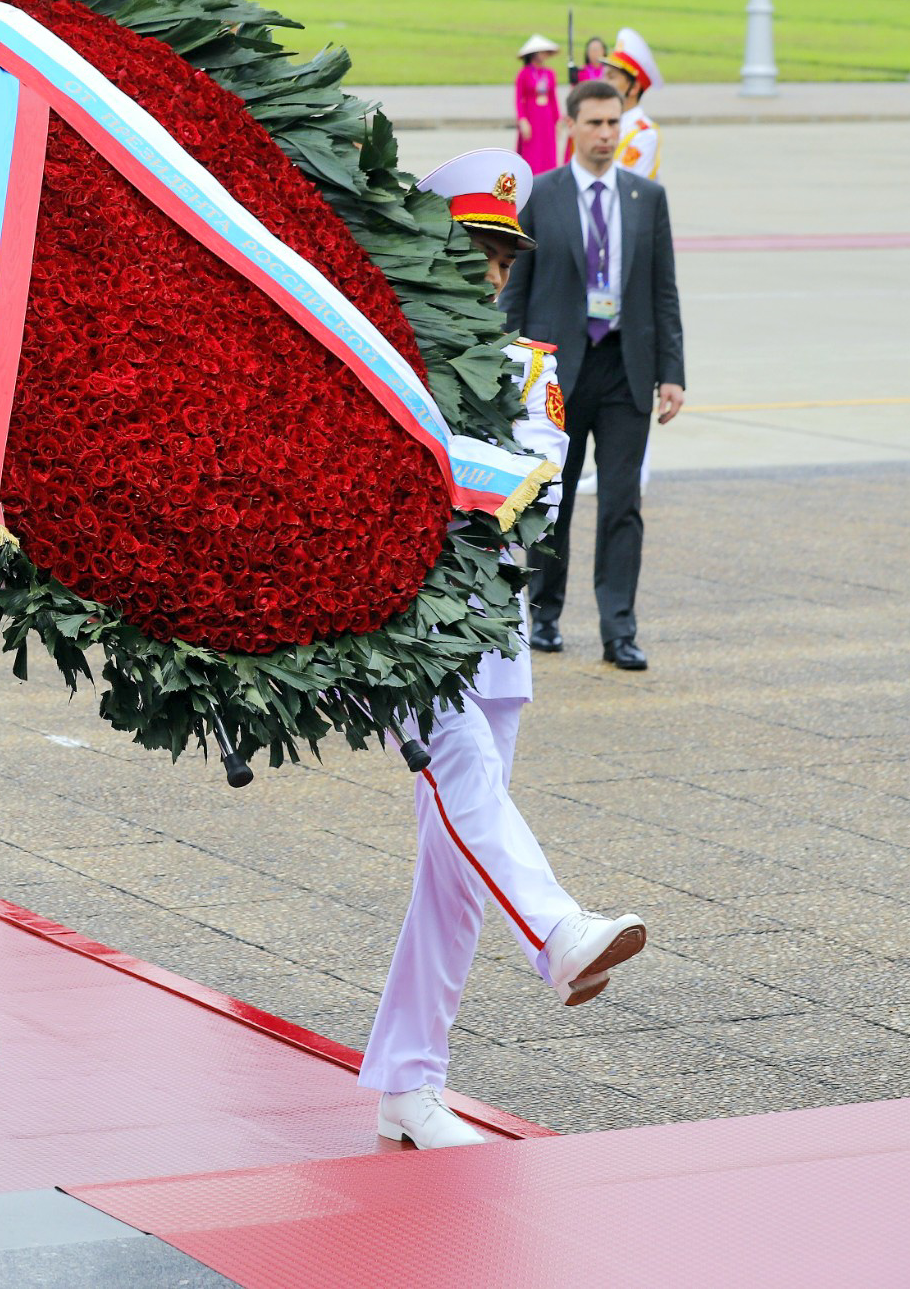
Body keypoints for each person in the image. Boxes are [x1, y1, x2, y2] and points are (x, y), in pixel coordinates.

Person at [362, 148, 647, 1150]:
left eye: (497, 254)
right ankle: (558, 930)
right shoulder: (377, 351)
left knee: (452, 870)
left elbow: (541, 501)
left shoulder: (527, 365)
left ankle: (407, 1078)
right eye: (472, 248)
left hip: (492, 626)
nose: (488, 272)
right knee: (462, 771)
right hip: (399, 621)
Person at [500, 81, 685, 671]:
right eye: (596, 124)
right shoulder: (542, 196)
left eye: (614, 124)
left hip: (626, 369)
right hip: (558, 372)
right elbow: (515, 294)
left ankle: (619, 628)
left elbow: (663, 291)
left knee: (622, 503)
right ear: (571, 128)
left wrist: (672, 373)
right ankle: (546, 616)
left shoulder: (646, 197)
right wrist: (507, 370)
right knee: (552, 499)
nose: (607, 135)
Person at [606, 27, 663, 183]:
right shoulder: (605, 123)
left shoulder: (644, 134)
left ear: (634, 88)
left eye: (611, 77)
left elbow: (625, 183)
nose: (603, 83)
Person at [513, 35, 560, 175]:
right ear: (533, 54)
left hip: (547, 117)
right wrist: (522, 120)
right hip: (532, 116)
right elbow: (518, 98)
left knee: (548, 151)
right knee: (532, 152)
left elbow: (553, 98)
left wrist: (557, 120)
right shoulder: (524, 74)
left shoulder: (549, 74)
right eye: (541, 52)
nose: (544, 55)